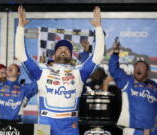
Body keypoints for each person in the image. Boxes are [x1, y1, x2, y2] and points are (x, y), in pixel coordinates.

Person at [15, 6, 105, 135]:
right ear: (53, 55)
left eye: (67, 50)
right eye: (60, 49)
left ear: (71, 55)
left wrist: (98, 28)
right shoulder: (42, 71)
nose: (63, 51)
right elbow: (21, 55)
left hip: (70, 124)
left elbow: (98, 56)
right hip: (45, 123)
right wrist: (20, 28)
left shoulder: (79, 72)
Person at [108, 43, 157, 135]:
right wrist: (115, 54)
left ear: (147, 71)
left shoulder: (154, 86)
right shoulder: (127, 81)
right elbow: (114, 70)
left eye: (142, 67)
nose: (138, 68)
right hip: (132, 130)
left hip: (152, 131)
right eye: (136, 67)